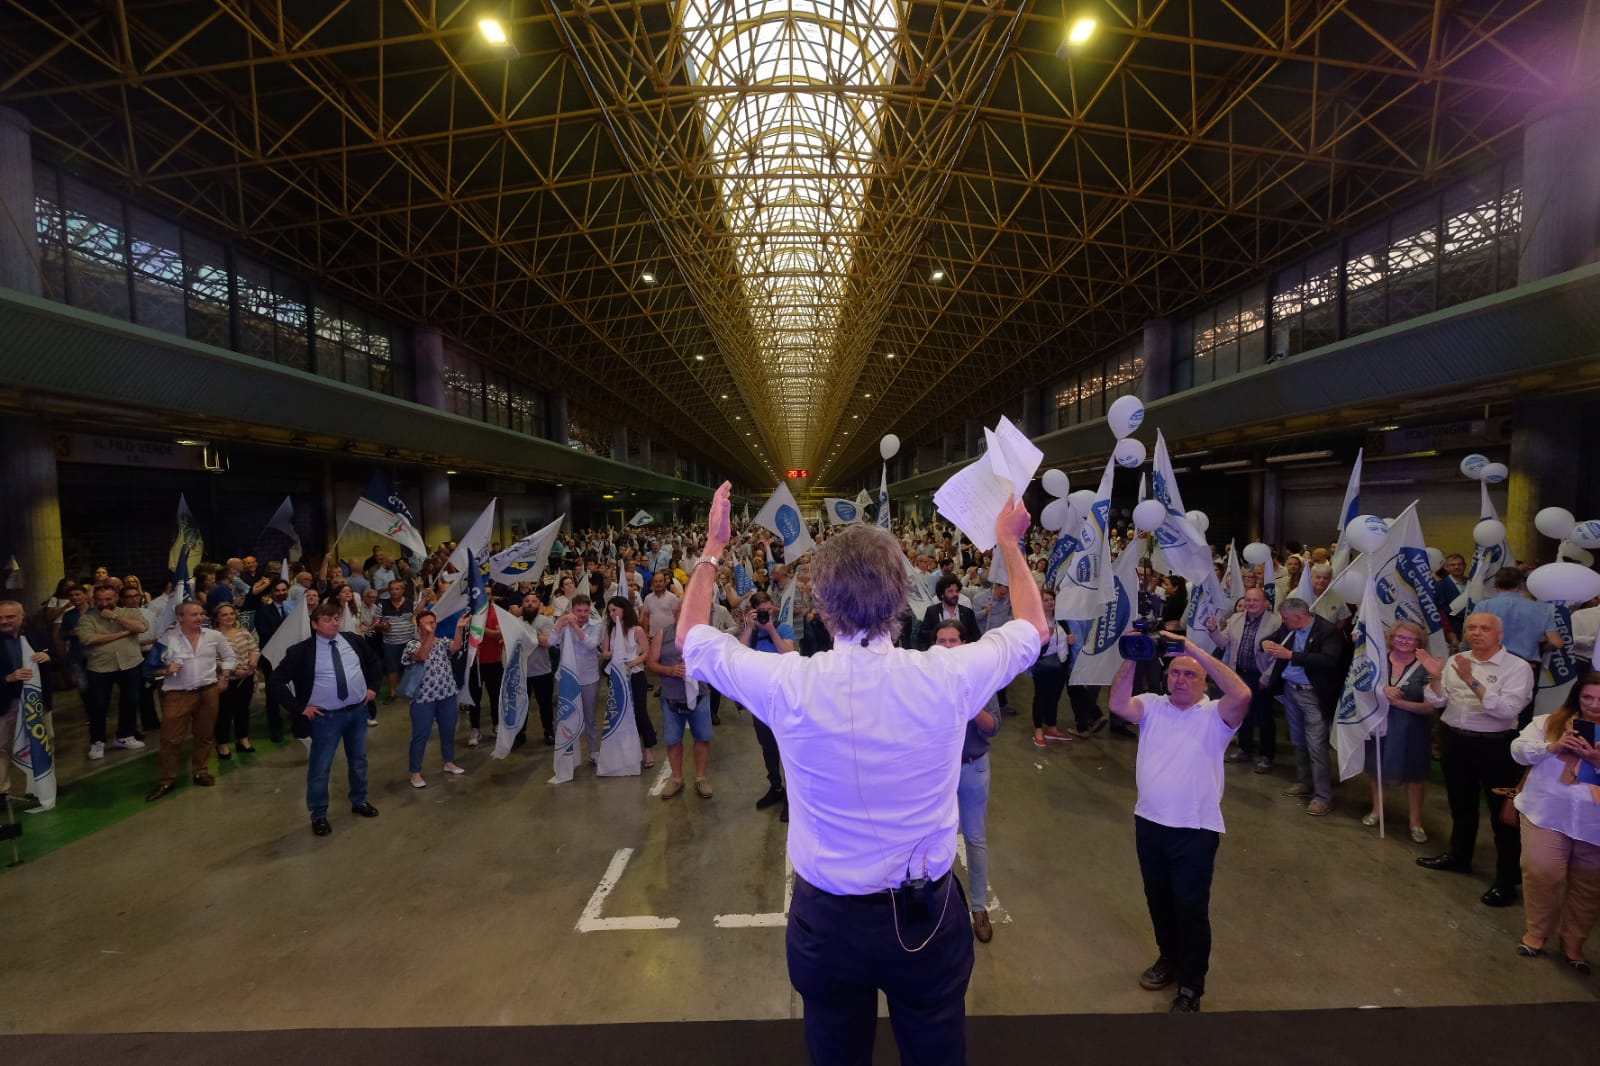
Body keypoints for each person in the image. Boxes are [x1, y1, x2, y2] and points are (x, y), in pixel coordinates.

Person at [679, 483, 1048, 1065]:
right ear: (901, 599)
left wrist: (711, 549)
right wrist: (1009, 543)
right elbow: (1033, 630)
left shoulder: (790, 684)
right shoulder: (946, 676)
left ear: (822, 606)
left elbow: (691, 640)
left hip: (828, 923)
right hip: (924, 917)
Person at [1108, 632, 1252, 1013]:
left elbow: (1243, 694)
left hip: (1196, 831)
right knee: (1158, 900)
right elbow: (1118, 703)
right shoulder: (1152, 706)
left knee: (1190, 908)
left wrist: (1191, 649)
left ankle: (1191, 986)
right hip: (1150, 824)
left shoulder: (1216, 715)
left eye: (1190, 674)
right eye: (1175, 673)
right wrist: (1133, 654)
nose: (1181, 680)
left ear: (1205, 681)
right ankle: (1168, 958)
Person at [1416, 612, 1536, 906]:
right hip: (1455, 740)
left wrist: (1471, 680)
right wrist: (1435, 676)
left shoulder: (1517, 667)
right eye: (1471, 627)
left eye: (1485, 628)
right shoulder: (1457, 660)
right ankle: (1459, 857)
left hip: (1495, 746)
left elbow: (1506, 711)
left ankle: (1506, 879)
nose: (1477, 632)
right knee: (1461, 804)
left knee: (1501, 815)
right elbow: (1437, 701)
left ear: (1499, 634)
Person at [268, 602, 382, 837]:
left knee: (359, 760)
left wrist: (372, 688)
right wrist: (299, 708)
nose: (334, 623)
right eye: (327, 620)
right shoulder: (301, 651)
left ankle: (359, 800)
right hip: (326, 718)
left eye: (336, 619)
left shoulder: (353, 640)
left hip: (357, 712)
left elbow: (374, 662)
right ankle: (318, 814)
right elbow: (276, 681)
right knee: (321, 767)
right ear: (315, 624)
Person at [1511, 674, 1600, 972]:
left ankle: (1574, 943)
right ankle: (1537, 932)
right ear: (1576, 697)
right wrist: (1553, 747)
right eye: (1587, 697)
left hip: (1594, 823)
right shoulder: (1548, 723)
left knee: (1589, 886)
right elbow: (1518, 751)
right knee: (1542, 871)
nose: (1594, 705)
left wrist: (1596, 762)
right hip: (1546, 812)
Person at [934, 620, 1002, 943]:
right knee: (935, 838)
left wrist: (969, 702)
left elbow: (993, 726)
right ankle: (940, 906)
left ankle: (978, 907)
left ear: (964, 644)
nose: (948, 646)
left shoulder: (980, 678)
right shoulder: (926, 679)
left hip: (972, 768)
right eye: (942, 641)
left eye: (953, 640)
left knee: (974, 838)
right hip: (937, 772)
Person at [1262, 598, 1349, 817]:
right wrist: (1265, 643)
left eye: (1285, 618)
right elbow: (1270, 639)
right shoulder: (1289, 627)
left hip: (1312, 694)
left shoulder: (1327, 631)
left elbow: (1329, 660)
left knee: (1316, 745)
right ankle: (1304, 781)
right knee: (1298, 739)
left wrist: (1292, 655)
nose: (1283, 622)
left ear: (1298, 617)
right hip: (1291, 690)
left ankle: (1322, 797)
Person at [148, 601, 235, 802]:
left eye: (201, 614)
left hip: (208, 692)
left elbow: (229, 656)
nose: (200, 618)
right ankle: (167, 779)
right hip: (178, 694)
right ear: (180, 618)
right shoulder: (167, 639)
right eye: (194, 614)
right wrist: (165, 670)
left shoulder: (213, 636)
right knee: (170, 739)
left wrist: (225, 676)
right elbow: (149, 669)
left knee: (205, 735)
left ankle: (200, 771)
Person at [1359, 620, 1434, 842]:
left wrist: (1399, 703)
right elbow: (1362, 689)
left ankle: (1415, 823)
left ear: (1419, 642)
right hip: (1380, 724)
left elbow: (1431, 707)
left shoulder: (1426, 667)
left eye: (1409, 638)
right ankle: (1376, 811)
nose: (1403, 642)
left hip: (1413, 727)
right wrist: (1381, 691)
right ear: (1390, 639)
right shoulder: (1378, 661)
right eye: (1399, 637)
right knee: (1376, 770)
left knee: (1414, 776)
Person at [1205, 587, 1280, 773]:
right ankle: (1244, 749)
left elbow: (1278, 655)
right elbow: (1223, 642)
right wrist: (1213, 630)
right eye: (1248, 600)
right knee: (1243, 713)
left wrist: (1267, 677)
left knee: (1264, 716)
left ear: (1265, 603)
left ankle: (1266, 755)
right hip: (1239, 675)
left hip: (1261, 675)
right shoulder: (1236, 618)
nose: (1250, 603)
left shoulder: (1276, 622)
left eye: (1255, 600)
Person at [78, 584, 151, 758]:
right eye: (100, 600)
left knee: (131, 700)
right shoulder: (87, 618)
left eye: (108, 599)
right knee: (99, 705)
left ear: (116, 597)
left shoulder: (130, 612)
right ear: (94, 600)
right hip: (100, 667)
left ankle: (125, 735)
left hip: (130, 663)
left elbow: (141, 627)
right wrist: (123, 634)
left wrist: (115, 616)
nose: (104, 603)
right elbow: (88, 639)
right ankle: (97, 741)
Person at [648, 608, 713, 799]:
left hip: (700, 695)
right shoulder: (663, 634)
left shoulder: (704, 635)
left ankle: (701, 778)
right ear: (675, 615)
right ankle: (676, 779)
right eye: (682, 613)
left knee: (702, 738)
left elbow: (715, 662)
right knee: (673, 740)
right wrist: (670, 670)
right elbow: (651, 663)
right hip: (672, 697)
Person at [741, 589, 793, 821]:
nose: (765, 615)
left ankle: (792, 797)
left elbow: (789, 652)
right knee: (768, 747)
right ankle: (776, 787)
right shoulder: (751, 633)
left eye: (768, 610)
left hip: (783, 699)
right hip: (760, 700)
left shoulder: (783, 628)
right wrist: (749, 628)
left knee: (787, 749)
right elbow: (739, 656)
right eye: (761, 612)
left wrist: (771, 629)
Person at [404, 609, 466, 788]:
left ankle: (449, 761)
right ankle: (415, 772)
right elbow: (422, 656)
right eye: (426, 623)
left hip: (446, 694)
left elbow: (455, 647)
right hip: (423, 698)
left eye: (433, 622)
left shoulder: (442, 642)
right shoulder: (412, 644)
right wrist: (430, 636)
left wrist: (459, 629)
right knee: (421, 735)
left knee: (448, 730)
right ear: (418, 626)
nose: (430, 626)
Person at [0, 600, 54, 801]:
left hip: (37, 701)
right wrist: (7, 678)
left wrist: (48, 658)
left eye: (10, 617)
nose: (4, 621)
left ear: (22, 616)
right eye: (0, 618)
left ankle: (42, 785)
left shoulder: (37, 634)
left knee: (44, 741)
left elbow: (60, 660)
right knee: (2, 748)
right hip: (6, 703)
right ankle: (1, 792)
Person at [602, 596, 656, 767]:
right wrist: (615, 654)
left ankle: (648, 748)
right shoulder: (610, 630)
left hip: (635, 674)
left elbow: (646, 652)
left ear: (623, 610)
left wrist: (631, 663)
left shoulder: (636, 630)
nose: (611, 614)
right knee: (621, 712)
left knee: (640, 711)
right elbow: (605, 652)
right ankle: (627, 749)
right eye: (609, 611)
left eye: (614, 610)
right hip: (617, 676)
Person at [553, 594, 604, 760]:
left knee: (590, 717)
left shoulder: (597, 624)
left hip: (589, 678)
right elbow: (552, 641)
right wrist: (560, 623)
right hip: (567, 678)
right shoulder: (564, 623)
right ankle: (568, 754)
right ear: (572, 610)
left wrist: (575, 626)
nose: (582, 614)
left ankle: (593, 751)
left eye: (585, 611)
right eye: (579, 611)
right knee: (567, 717)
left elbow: (591, 644)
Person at [211, 604, 260, 758]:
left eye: (232, 613)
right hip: (225, 680)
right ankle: (222, 743)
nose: (230, 617)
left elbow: (254, 649)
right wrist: (236, 671)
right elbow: (213, 660)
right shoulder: (212, 636)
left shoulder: (243, 632)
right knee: (224, 713)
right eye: (224, 614)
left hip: (246, 679)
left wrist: (252, 662)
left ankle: (242, 738)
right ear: (217, 618)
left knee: (243, 710)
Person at [1029, 589, 1073, 748]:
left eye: (1052, 599)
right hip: (1043, 666)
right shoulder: (1036, 622)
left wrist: (1070, 640)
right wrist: (1045, 638)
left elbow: (1065, 640)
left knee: (1054, 697)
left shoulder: (1061, 620)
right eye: (1046, 600)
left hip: (1060, 665)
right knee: (1041, 697)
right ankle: (1038, 729)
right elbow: (1032, 648)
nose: (1050, 603)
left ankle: (1052, 727)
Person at [376, 579, 416, 712]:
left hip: (409, 642)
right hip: (390, 642)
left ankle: (410, 691)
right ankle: (393, 693)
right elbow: (375, 623)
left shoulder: (411, 603)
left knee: (411, 667)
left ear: (403, 590)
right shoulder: (382, 604)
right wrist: (382, 625)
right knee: (391, 669)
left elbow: (418, 616)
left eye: (397, 589)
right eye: (392, 589)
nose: (394, 591)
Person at [918, 575, 980, 651]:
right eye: (950, 591)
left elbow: (976, 637)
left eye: (956, 591)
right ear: (942, 594)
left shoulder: (967, 612)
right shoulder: (932, 611)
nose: (955, 594)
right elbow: (923, 634)